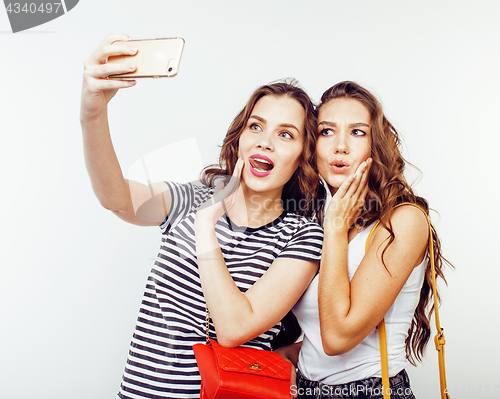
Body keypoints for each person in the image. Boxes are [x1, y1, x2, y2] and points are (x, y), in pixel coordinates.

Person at [80, 34, 325, 399]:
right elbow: (114, 197)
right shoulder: (192, 196)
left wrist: (205, 226)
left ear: (303, 155)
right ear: (239, 137)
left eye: (285, 134)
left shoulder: (302, 236)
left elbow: (232, 328)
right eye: (255, 127)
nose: (265, 142)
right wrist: (93, 112)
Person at [276, 81, 449, 399]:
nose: (340, 146)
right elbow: (319, 339)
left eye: (357, 132)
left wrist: (336, 228)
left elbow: (339, 337)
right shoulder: (313, 222)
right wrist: (287, 358)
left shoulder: (402, 222)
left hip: (370, 392)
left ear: (376, 146)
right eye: (327, 131)